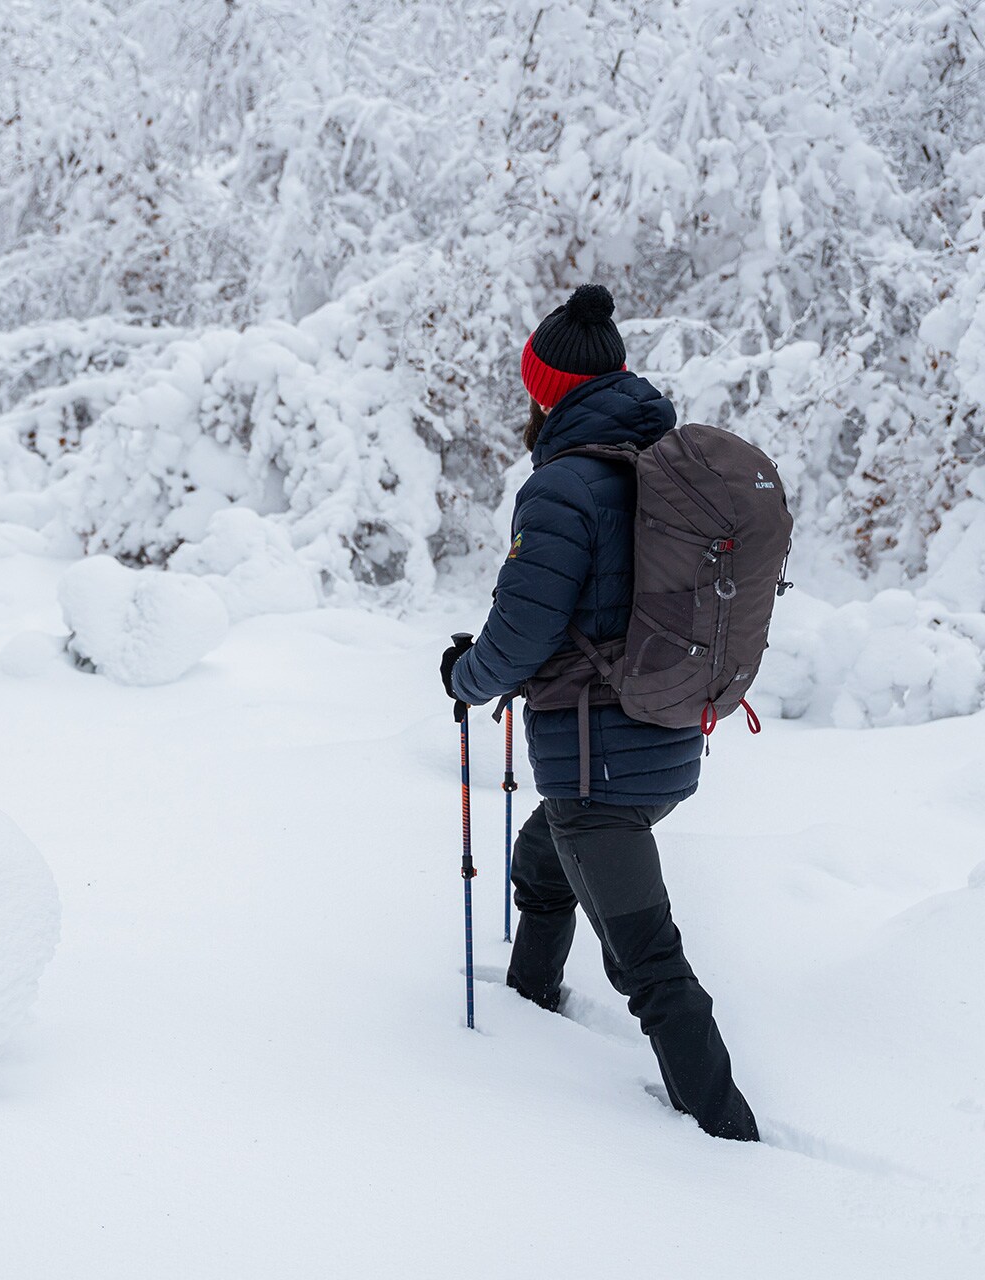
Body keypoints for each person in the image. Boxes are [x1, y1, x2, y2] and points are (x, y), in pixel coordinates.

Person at [440, 283, 759, 1142]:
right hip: (664, 745)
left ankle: (729, 1137)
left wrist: (466, 677)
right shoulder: (663, 465)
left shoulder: (563, 488)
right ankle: (531, 1006)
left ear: (544, 391)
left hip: (594, 761)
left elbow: (521, 633)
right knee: (543, 864)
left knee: (648, 961)